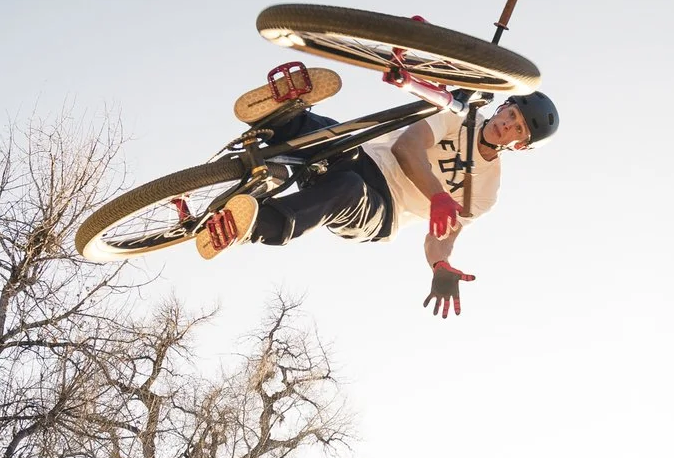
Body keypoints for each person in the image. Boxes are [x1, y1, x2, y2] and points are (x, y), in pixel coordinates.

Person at [194, 85, 559, 319]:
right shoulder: (460, 114)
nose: (507, 126)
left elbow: (442, 236)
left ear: (520, 146)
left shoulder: (485, 191)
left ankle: (252, 225)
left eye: (518, 130)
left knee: (348, 189)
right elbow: (406, 147)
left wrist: (440, 264)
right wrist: (437, 196)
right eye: (511, 115)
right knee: (330, 135)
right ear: (504, 106)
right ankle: (279, 118)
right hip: (364, 156)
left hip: (382, 211)